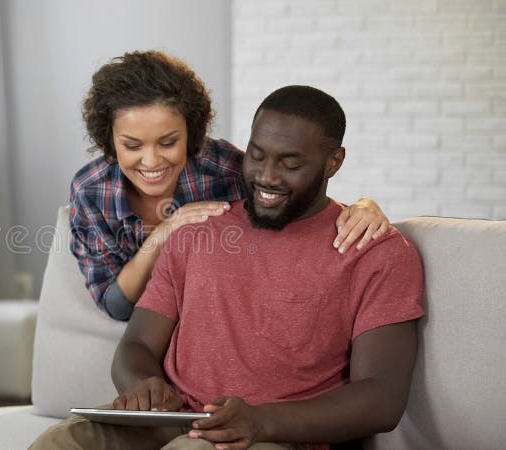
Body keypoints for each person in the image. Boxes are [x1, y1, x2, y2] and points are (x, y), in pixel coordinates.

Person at [32, 85, 424, 449]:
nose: (267, 177)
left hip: (274, 434)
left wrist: (260, 421)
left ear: (333, 162)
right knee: (60, 442)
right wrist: (145, 386)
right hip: (172, 421)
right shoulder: (196, 232)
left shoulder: (376, 253)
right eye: (257, 156)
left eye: (290, 164)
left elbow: (381, 398)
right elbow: (135, 344)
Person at [70, 50, 390, 321]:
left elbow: (292, 198)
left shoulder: (219, 166)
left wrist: (362, 208)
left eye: (168, 142)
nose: (151, 161)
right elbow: (116, 305)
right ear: (109, 139)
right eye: (132, 145)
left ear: (191, 132)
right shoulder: (91, 191)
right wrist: (169, 229)